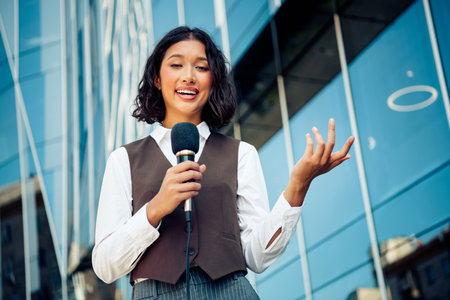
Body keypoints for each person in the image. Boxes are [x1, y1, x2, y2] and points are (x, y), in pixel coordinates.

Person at [92, 26, 354, 299]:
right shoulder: (123, 160)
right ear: (157, 78)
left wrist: (298, 186)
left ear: (214, 79)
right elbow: (105, 267)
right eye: (176, 64)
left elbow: (256, 256)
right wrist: (155, 209)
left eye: (201, 68)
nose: (188, 76)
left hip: (231, 292)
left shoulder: (241, 154)